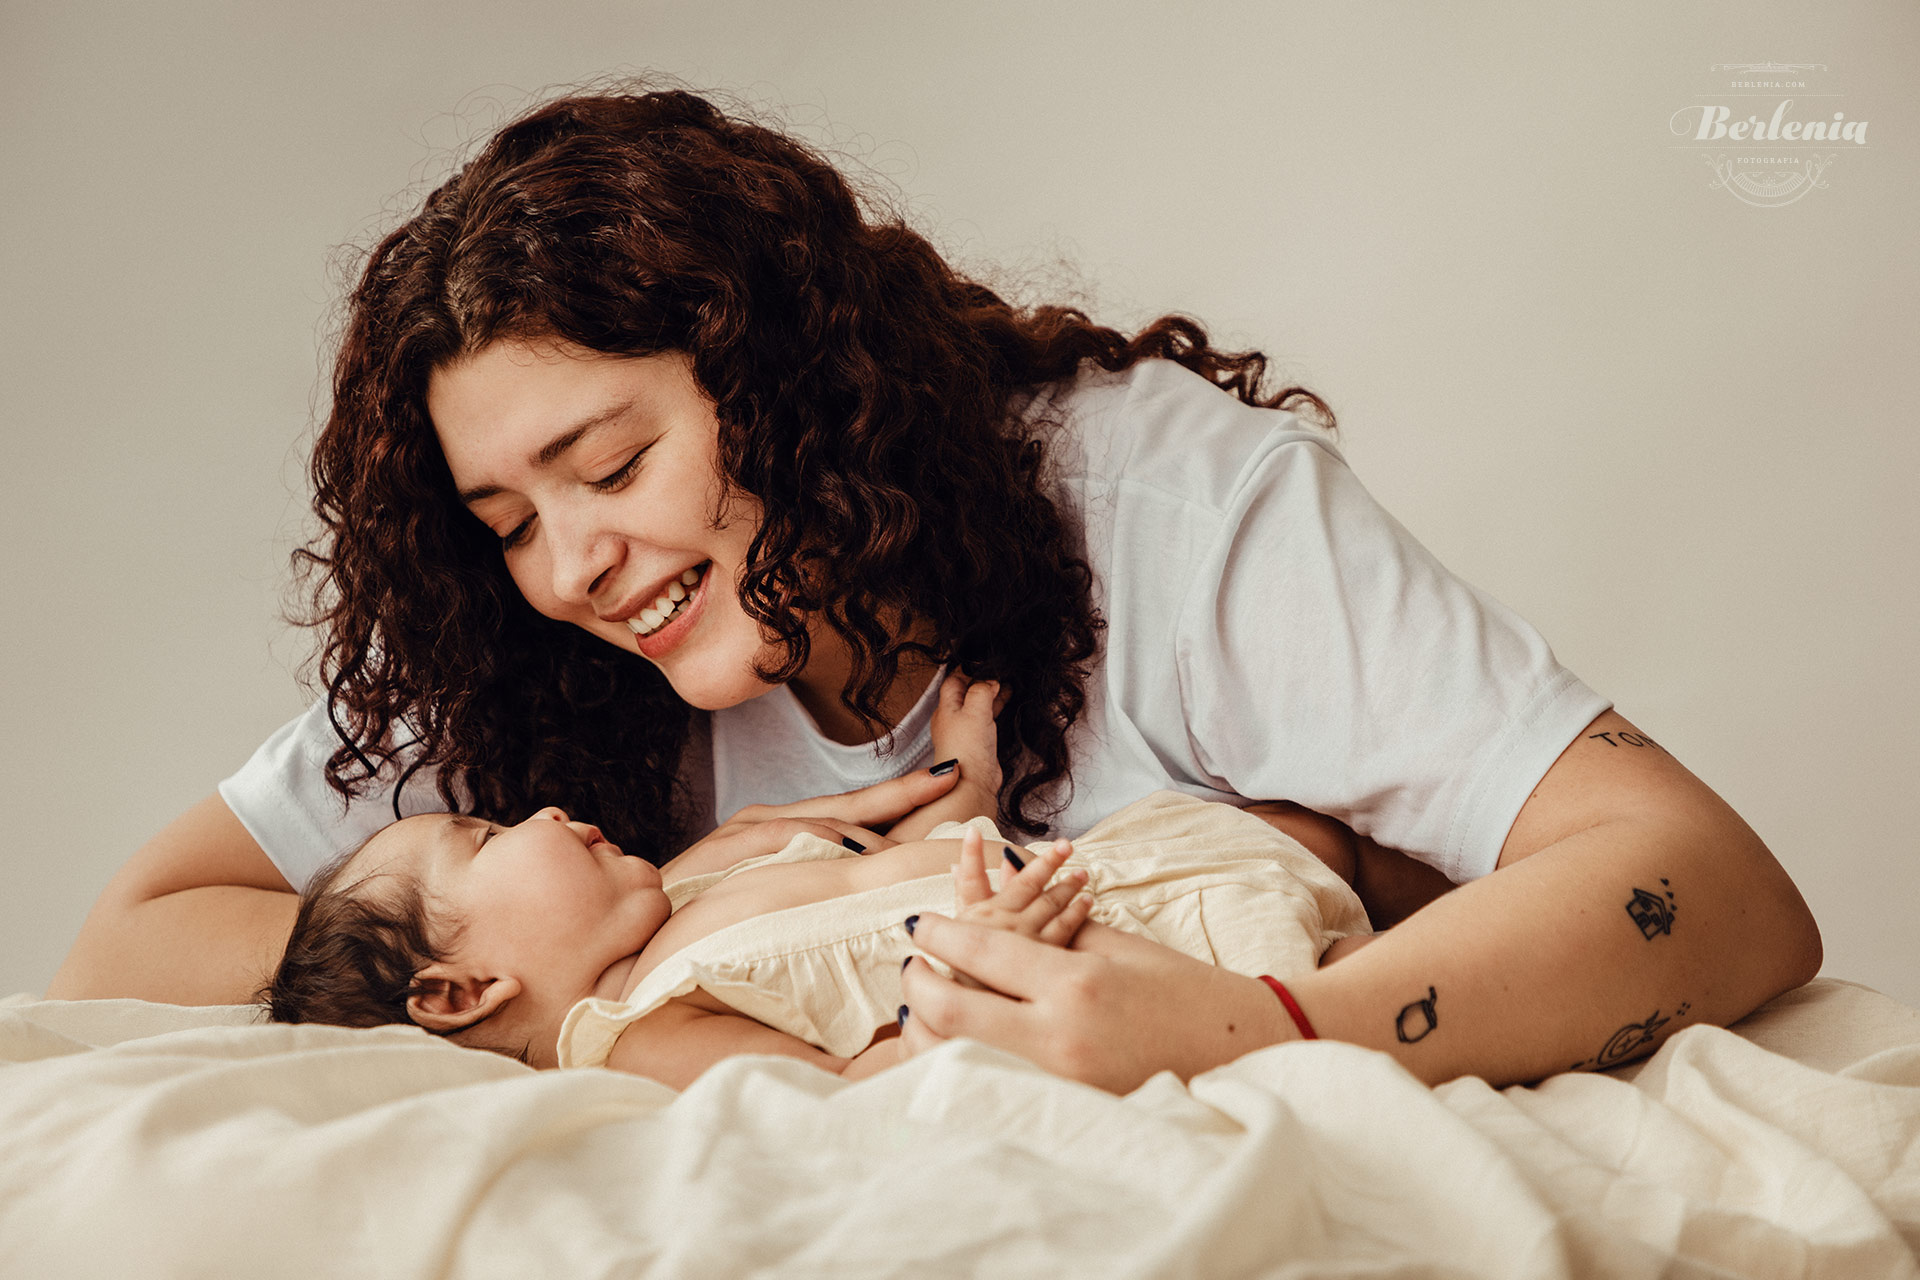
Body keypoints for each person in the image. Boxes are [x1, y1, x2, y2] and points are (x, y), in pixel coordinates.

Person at [51, 86, 1820, 1092]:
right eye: (506, 518)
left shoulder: (1164, 511)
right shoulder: (549, 681)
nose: (572, 565)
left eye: (609, 468)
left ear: (787, 386)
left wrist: (1258, 1028)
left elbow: (1711, 885)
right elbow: (130, 944)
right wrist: (688, 898)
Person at [262, 674, 1370, 1087]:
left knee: (1322, 834)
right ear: (458, 989)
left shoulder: (688, 905)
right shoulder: (644, 1029)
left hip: (1126, 874)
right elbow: (852, 1086)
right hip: (1127, 963)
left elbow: (890, 872)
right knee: (1336, 927)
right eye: (489, 833)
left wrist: (963, 781)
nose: (540, 812)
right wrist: (967, 969)